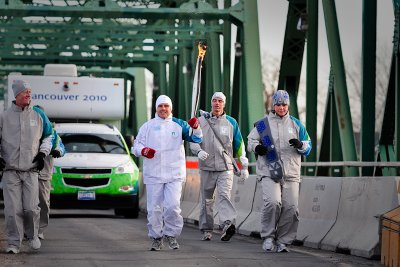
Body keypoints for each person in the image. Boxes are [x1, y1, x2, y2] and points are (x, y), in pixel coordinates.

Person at [132, 95, 203, 251]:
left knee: (172, 206)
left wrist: (196, 127)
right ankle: (156, 237)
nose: (163, 109)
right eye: (160, 106)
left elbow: (197, 139)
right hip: (154, 173)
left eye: (166, 106)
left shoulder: (179, 125)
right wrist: (143, 150)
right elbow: (136, 146)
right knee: (155, 208)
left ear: (171, 108)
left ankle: (171, 235)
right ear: (156, 108)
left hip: (174, 173)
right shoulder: (147, 126)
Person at [247, 90, 312, 253]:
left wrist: (300, 145)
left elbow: (308, 146)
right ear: (273, 105)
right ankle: (268, 237)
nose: (281, 107)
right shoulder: (262, 124)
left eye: (284, 104)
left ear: (288, 105)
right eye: (278, 104)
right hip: (269, 171)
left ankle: (283, 241)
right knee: (273, 202)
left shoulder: (297, 124)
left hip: (291, 173)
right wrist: (257, 147)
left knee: (291, 208)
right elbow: (250, 141)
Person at [0, 80, 53, 254]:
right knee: (12, 209)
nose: (28, 95)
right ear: (16, 95)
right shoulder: (4, 116)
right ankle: (14, 243)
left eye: (30, 91)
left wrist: (42, 154)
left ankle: (32, 235)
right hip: (11, 171)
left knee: (30, 207)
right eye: (25, 92)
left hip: (31, 171)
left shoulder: (38, 115)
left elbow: (48, 136)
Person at [189, 92, 249, 242]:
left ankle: (228, 225)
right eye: (214, 101)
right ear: (211, 103)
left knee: (224, 196)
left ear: (224, 104)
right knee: (207, 200)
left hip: (225, 167)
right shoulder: (201, 121)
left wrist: (244, 165)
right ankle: (206, 229)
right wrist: (199, 150)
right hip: (207, 167)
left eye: (220, 101)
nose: (217, 103)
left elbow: (239, 145)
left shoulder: (231, 122)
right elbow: (193, 140)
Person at [36, 117, 65, 240]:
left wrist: (57, 151)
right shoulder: (29, 131)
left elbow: (61, 147)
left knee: (43, 203)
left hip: (44, 175)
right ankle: (27, 229)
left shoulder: (52, 134)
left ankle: (39, 229)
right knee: (27, 205)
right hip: (27, 173)